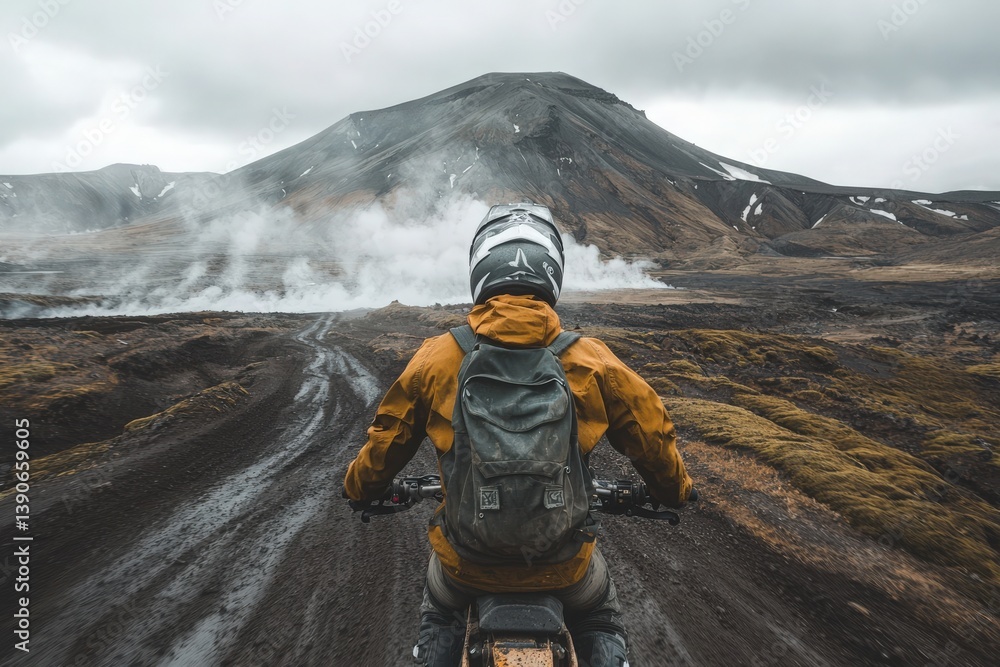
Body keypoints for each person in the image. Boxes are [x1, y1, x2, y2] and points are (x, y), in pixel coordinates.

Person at [343, 202, 694, 667]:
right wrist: (672, 491)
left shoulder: (439, 357)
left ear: (480, 271)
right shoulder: (592, 360)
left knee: (440, 608)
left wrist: (360, 487)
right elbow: (653, 436)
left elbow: (386, 440)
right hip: (563, 565)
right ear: (552, 274)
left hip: (468, 564)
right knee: (599, 616)